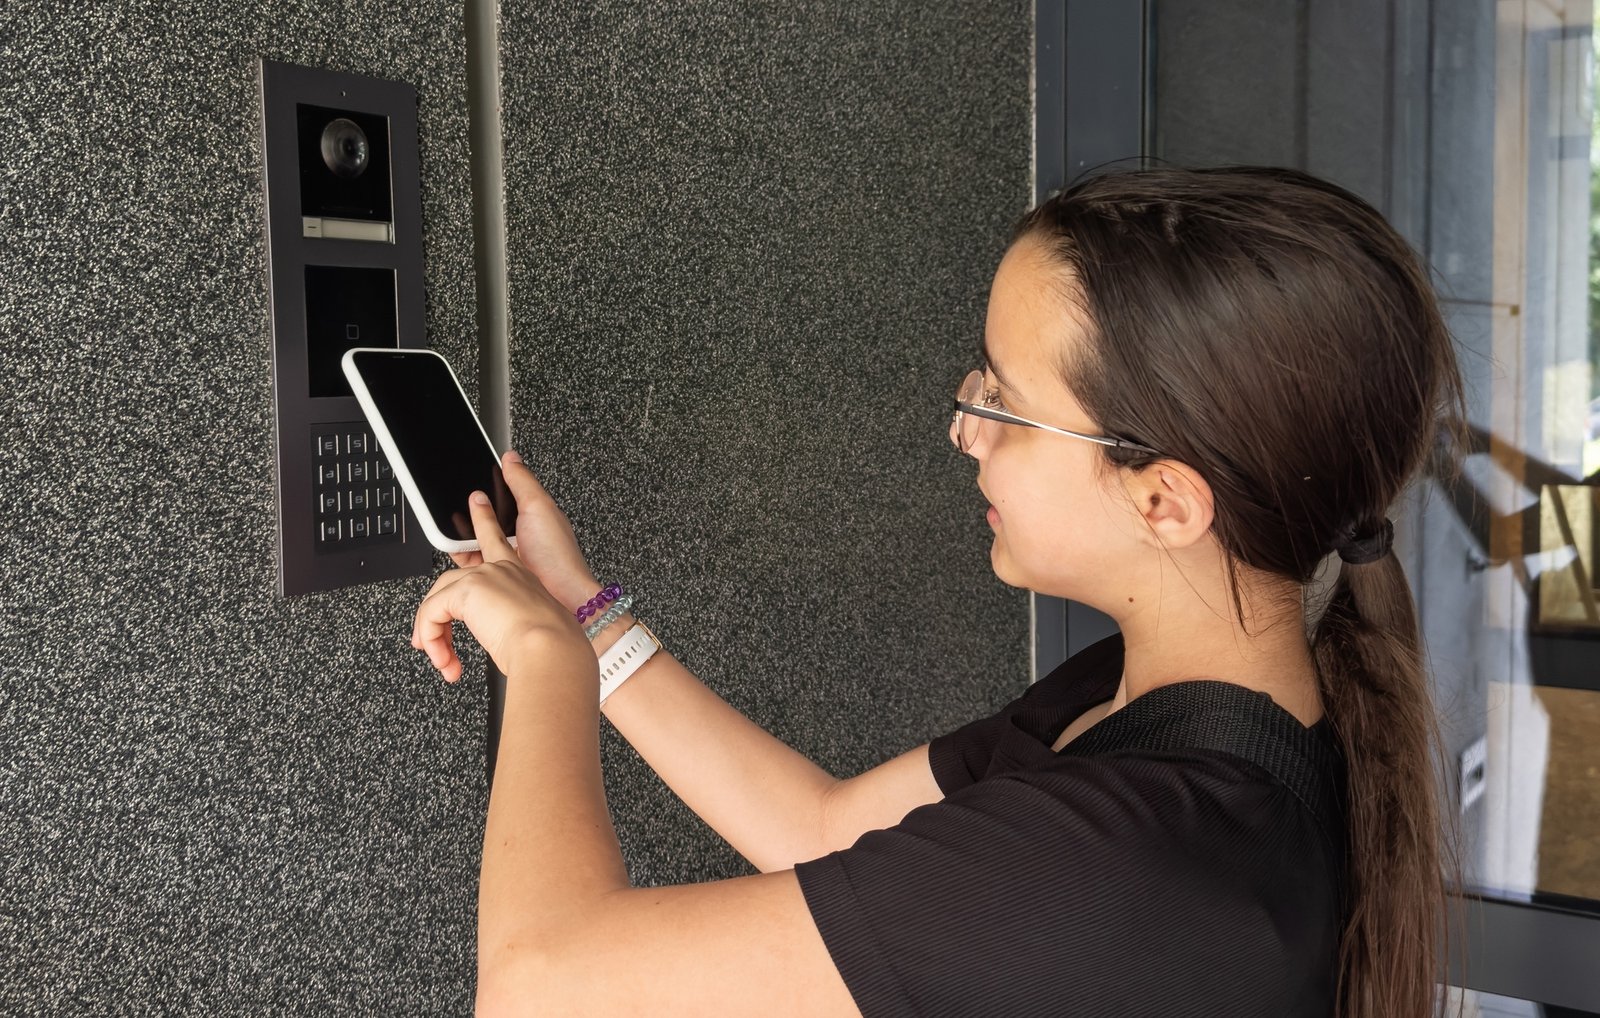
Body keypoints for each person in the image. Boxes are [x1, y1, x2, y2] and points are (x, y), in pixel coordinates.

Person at [410, 165, 1466, 1017]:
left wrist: (543, 662)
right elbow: (824, 831)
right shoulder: (1172, 696)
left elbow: (543, 985)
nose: (965, 431)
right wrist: (582, 609)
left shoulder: (1129, 854)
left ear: (1164, 501)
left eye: (1005, 405)